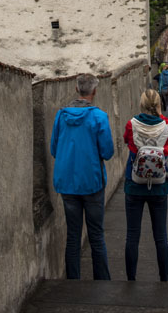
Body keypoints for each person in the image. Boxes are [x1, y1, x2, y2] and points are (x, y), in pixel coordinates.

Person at [50, 73, 114, 280]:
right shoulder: (99, 117)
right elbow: (107, 152)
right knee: (96, 235)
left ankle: (73, 282)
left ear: (77, 89)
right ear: (94, 91)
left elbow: (54, 149)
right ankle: (102, 281)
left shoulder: (61, 115)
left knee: (73, 236)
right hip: (92, 182)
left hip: (67, 183)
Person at [123, 89, 168, 282]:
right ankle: (164, 278)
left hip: (134, 183)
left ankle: (131, 278)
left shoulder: (132, 124)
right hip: (159, 184)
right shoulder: (167, 126)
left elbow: (127, 141)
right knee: (161, 237)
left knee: (132, 236)